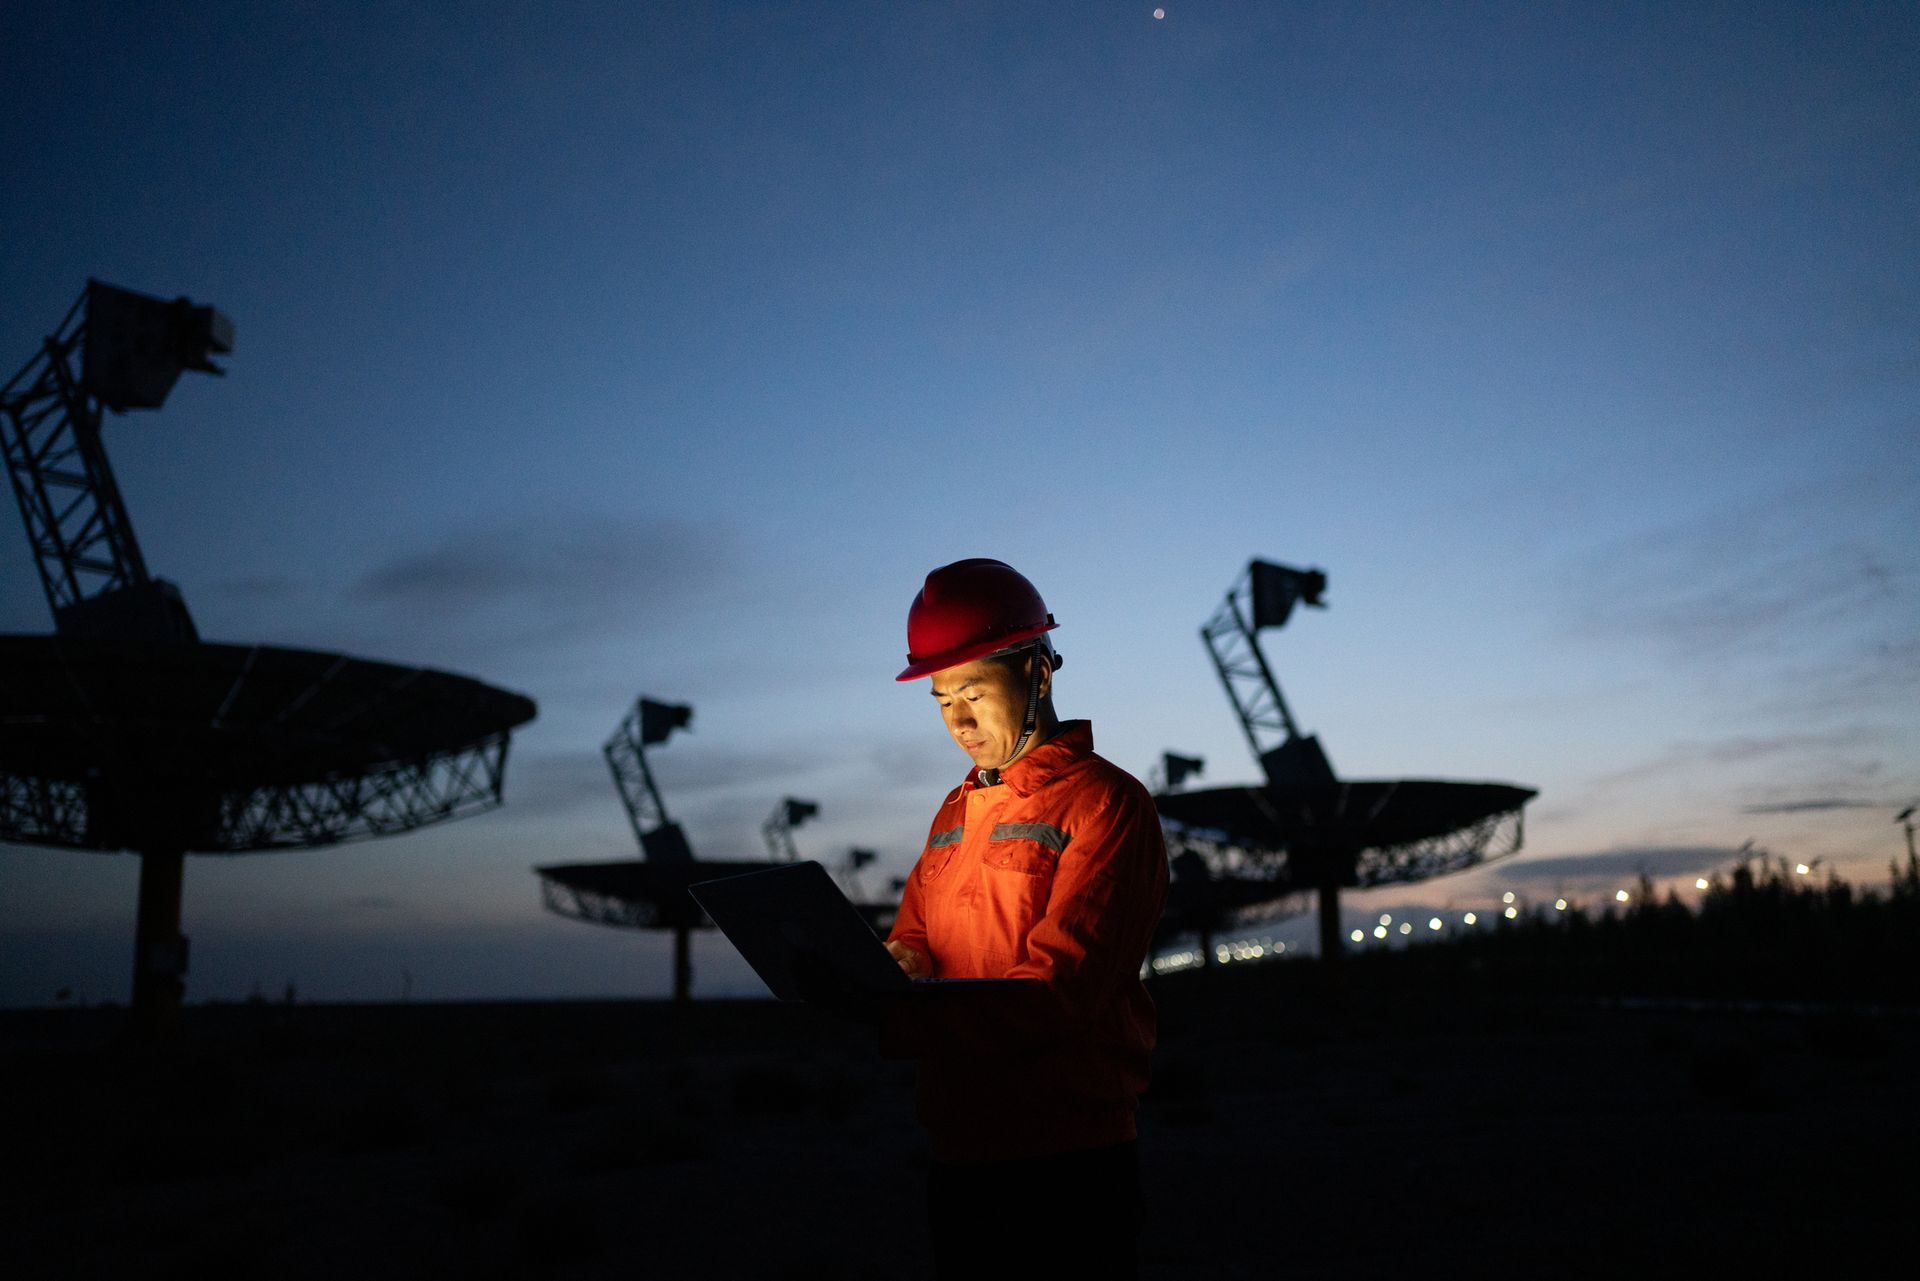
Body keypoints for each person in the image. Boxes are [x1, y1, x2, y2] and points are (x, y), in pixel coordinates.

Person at [879, 558, 1168, 1281]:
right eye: (942, 699)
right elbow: (913, 937)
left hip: (1067, 1163)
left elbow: (1058, 994)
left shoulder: (1106, 806)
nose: (959, 721)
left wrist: (903, 1020)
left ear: (1038, 670)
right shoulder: (954, 812)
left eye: (974, 690)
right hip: (959, 1155)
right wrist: (888, 970)